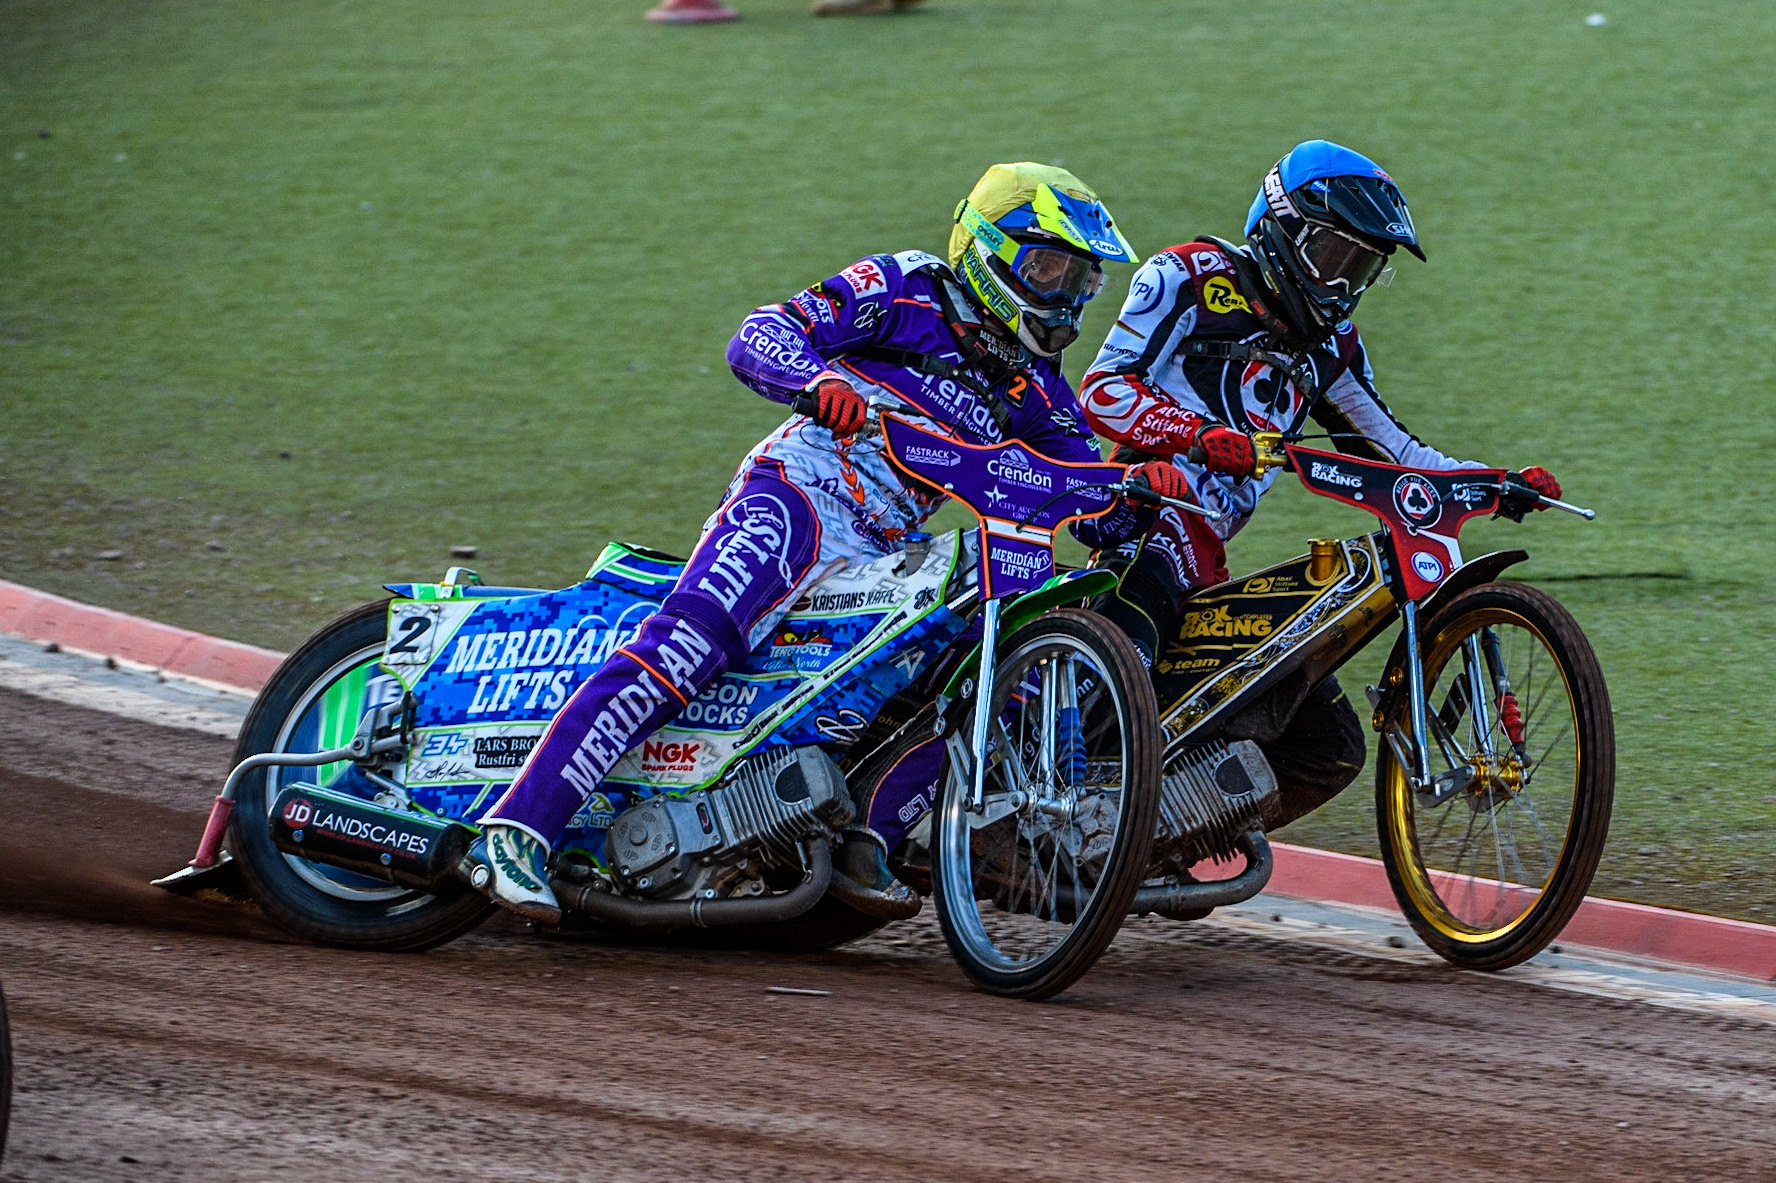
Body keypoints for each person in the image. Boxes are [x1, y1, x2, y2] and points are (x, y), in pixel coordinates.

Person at [470, 163, 1170, 923]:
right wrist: (813, 381)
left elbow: (1093, 504)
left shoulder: (1036, 388)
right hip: (795, 495)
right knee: (689, 642)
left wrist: (1146, 488)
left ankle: (871, 830)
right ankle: (517, 828)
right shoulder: (905, 286)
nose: (1065, 295)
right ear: (989, 251)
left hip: (880, 555)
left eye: (1081, 279)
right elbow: (761, 333)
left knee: (998, 635)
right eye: (1049, 267)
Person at [1079, 139, 1563, 831]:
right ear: (1282, 229)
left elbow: (1396, 452)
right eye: (1336, 258)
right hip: (1141, 521)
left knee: (1330, 748)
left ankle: (1156, 840)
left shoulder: (1333, 347)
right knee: (1136, 629)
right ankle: (1060, 779)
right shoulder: (1186, 275)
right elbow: (1099, 389)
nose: (1344, 285)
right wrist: (1194, 435)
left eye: (1363, 268)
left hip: (1211, 560)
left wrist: (1495, 482)